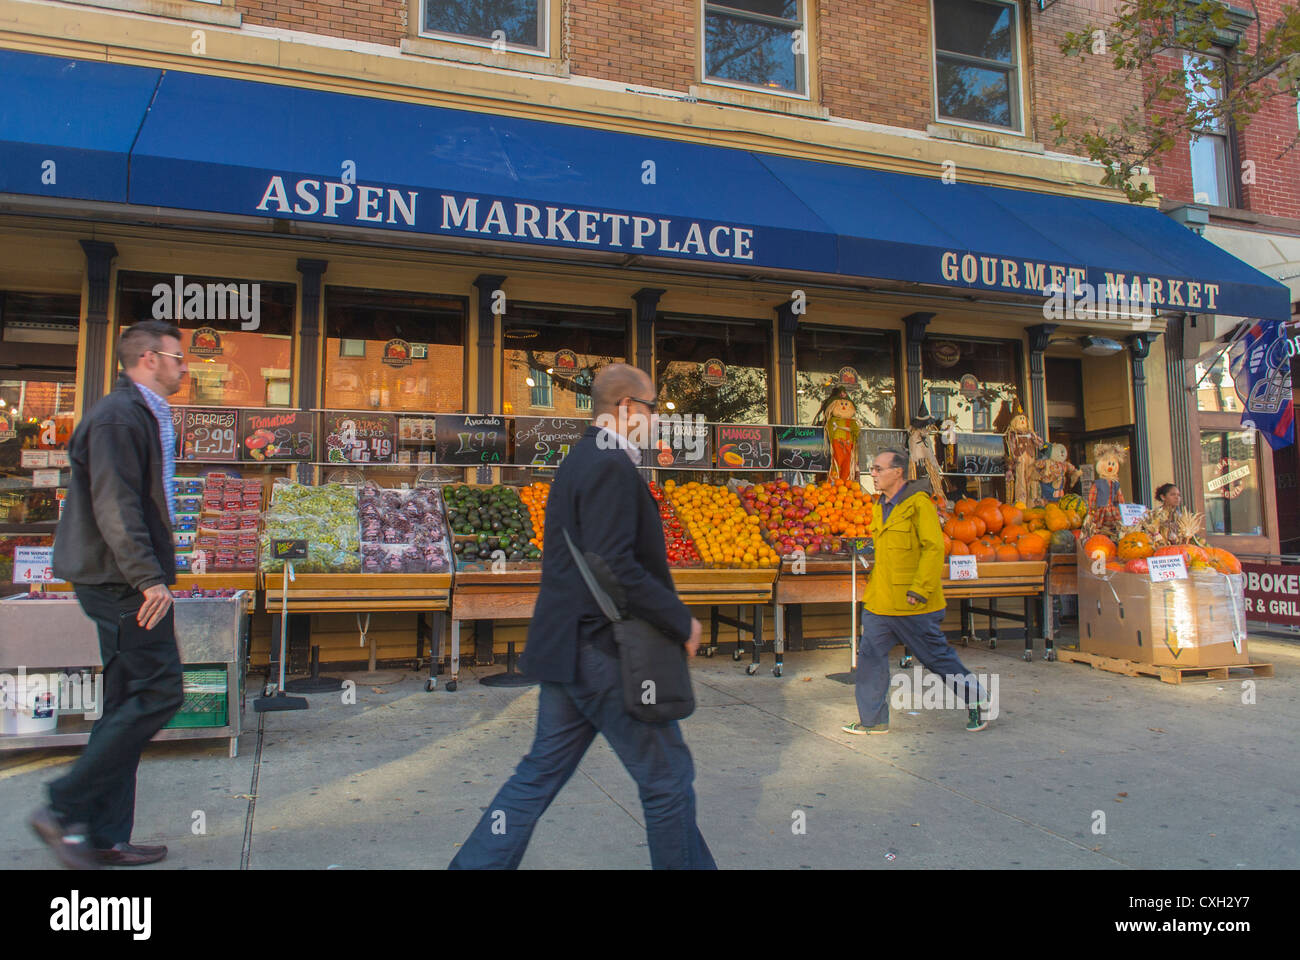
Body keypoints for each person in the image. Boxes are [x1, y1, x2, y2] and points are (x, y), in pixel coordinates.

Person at [449, 363, 715, 869]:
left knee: (538, 774)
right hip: (605, 652)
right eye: (653, 408)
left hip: (568, 652)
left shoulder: (578, 459)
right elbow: (614, 564)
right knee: (667, 779)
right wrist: (682, 621)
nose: (657, 418)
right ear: (627, 408)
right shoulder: (611, 466)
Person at [29, 320, 188, 869]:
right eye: (176, 358)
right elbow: (115, 503)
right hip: (120, 581)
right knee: (161, 691)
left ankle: (102, 837)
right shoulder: (120, 416)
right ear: (148, 358)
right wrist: (148, 577)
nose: (183, 367)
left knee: (125, 701)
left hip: (119, 577)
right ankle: (63, 806)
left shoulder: (141, 413)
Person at [842, 448, 990, 735]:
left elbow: (934, 548)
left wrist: (920, 589)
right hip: (880, 601)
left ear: (898, 472)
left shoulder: (919, 505)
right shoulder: (879, 505)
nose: (873, 474)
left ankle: (977, 698)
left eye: (878, 469)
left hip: (914, 602)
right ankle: (873, 721)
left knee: (937, 658)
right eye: (872, 469)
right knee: (870, 656)